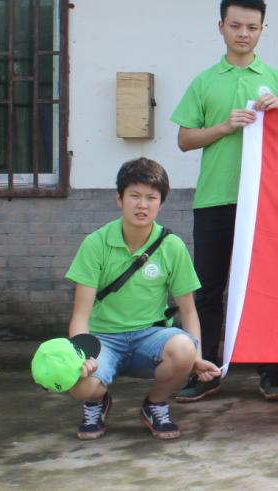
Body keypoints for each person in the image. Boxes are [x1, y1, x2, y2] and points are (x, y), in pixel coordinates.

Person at [171, 0, 278, 402]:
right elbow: (184, 139)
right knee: (208, 289)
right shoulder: (204, 81)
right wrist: (224, 127)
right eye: (236, 25)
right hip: (215, 199)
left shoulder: (276, 81)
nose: (244, 33)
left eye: (252, 27)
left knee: (268, 286)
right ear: (221, 27)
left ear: (262, 30)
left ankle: (271, 372)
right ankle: (206, 371)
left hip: (265, 201)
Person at [63, 158, 220, 440]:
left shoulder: (172, 246)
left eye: (151, 198)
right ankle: (96, 401)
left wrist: (196, 358)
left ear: (161, 203)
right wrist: (82, 356)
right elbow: (80, 315)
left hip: (150, 336)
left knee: (184, 350)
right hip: (104, 338)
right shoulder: (96, 243)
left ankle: (155, 404)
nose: (142, 205)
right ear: (119, 199)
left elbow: (189, 311)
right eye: (134, 196)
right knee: (80, 385)